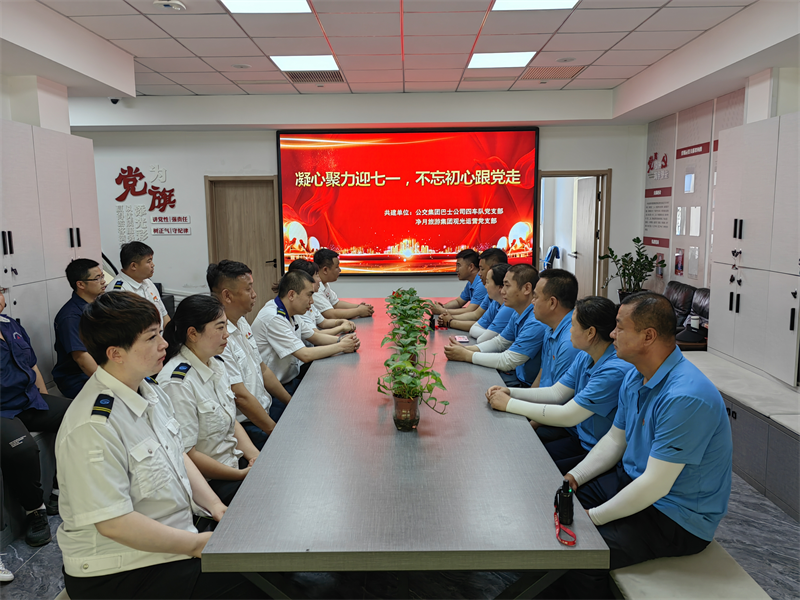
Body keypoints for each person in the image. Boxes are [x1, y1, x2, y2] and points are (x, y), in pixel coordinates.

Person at [56, 292, 262, 600]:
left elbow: (177, 453)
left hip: (173, 539)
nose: (164, 344)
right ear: (116, 353)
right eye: (152, 337)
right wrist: (197, 544)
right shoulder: (93, 426)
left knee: (264, 555)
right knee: (255, 583)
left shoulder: (147, 389)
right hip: (122, 569)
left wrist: (216, 507)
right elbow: (114, 523)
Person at [553, 292, 732, 600]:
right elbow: (615, 440)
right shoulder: (637, 375)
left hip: (675, 517)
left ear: (648, 336)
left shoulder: (685, 396)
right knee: (556, 499)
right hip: (632, 482)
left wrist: (593, 517)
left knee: (584, 555)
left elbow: (655, 485)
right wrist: (575, 477)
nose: (612, 334)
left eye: (620, 327)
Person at [486, 296, 634, 474]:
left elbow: (567, 415)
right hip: (579, 437)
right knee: (520, 451)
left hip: (596, 451)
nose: (569, 330)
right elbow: (556, 393)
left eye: (573, 325)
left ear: (590, 333)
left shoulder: (614, 370)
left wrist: (509, 404)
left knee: (529, 466)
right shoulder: (586, 355)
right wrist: (510, 392)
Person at [159, 294, 260, 511]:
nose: (227, 334)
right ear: (193, 333)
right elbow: (188, 453)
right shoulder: (177, 382)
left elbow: (230, 421)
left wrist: (255, 456)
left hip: (234, 462)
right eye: (220, 327)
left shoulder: (216, 364)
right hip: (209, 483)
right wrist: (240, 474)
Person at [0, 291, 70, 550]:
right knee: (22, 448)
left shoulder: (9, 325)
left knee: (79, 414)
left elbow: (31, 365)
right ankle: (35, 511)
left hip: (28, 400)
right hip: (2, 411)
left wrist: (42, 396)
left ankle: (61, 489)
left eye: (0, 291)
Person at [207, 260, 292, 450]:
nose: (254, 294)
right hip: (246, 426)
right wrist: (275, 432)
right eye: (248, 289)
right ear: (227, 295)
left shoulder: (241, 322)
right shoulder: (218, 337)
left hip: (264, 410)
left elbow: (263, 369)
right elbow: (240, 397)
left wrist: (291, 402)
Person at [252, 270, 360, 395]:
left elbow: (315, 337)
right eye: (309, 295)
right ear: (291, 295)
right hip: (275, 390)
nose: (312, 301)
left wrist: (341, 340)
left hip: (292, 376)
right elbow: (305, 355)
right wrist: (341, 346)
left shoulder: (291, 311)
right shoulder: (273, 317)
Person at [443, 264, 546, 388]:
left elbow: (508, 361)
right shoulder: (518, 313)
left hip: (523, 382)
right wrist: (468, 349)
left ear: (527, 288)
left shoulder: (535, 322)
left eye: (507, 286)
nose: (502, 291)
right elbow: (500, 342)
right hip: (516, 375)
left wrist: (467, 355)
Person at [53, 258, 105, 399]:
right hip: (78, 377)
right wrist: (110, 383)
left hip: (103, 367)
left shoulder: (100, 305)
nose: (103, 281)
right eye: (97, 278)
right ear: (80, 284)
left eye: (102, 276)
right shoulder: (70, 317)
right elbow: (81, 358)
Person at [274, 259, 356, 337]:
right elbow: (316, 336)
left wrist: (341, 322)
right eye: (317, 275)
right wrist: (341, 330)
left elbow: (323, 322)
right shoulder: (297, 308)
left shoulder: (306, 301)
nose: (320, 280)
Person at [440, 248, 507, 331]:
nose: (479, 273)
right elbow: (476, 315)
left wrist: (449, 320)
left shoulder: (507, 303)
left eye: (482, 269)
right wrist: (449, 316)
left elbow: (486, 329)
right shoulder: (492, 296)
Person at [109, 241, 170, 327]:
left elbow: (164, 315)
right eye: (149, 261)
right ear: (133, 266)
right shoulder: (118, 291)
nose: (153, 265)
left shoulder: (147, 282)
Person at [313, 249, 374, 320]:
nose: (340, 270)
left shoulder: (324, 284)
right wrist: (359, 311)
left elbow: (336, 304)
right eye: (337, 267)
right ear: (325, 270)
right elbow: (331, 314)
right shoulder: (315, 288)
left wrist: (359, 307)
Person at [429, 249, 487, 317]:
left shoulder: (481, 284)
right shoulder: (470, 283)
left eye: (459, 266)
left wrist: (442, 311)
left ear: (471, 267)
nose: (456, 270)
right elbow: (458, 302)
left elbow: (470, 311)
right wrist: (442, 307)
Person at [467, 263, 516, 343]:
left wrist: (490, 335)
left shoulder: (508, 307)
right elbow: (473, 329)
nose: (485, 286)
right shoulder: (495, 302)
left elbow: (482, 339)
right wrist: (493, 335)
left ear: (500, 287)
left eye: (487, 282)